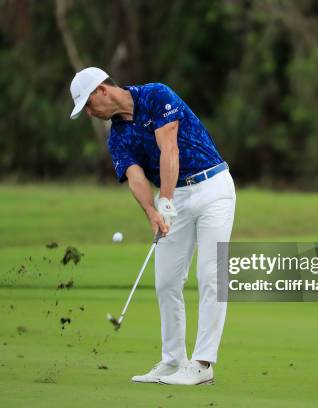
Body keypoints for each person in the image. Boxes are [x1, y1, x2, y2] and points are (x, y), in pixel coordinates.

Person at [69, 67, 236, 385]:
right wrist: (152, 211)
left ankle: (202, 365)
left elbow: (169, 148)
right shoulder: (116, 136)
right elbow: (135, 176)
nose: (90, 113)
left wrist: (167, 201)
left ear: (103, 90)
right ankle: (174, 360)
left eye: (89, 105)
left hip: (212, 185)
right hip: (173, 198)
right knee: (166, 281)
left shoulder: (156, 95)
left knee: (210, 274)